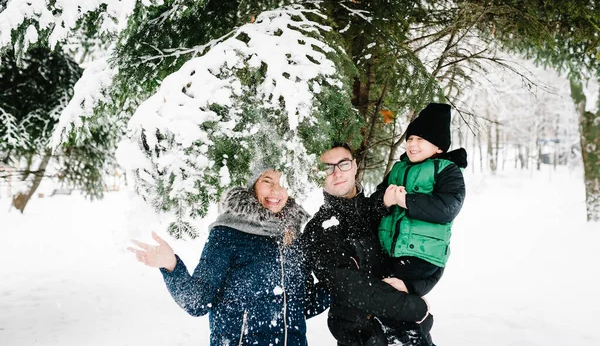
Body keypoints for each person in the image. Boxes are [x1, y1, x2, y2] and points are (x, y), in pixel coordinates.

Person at [128, 166, 329, 346]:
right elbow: (197, 302)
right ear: (252, 185)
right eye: (267, 181)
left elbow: (301, 305)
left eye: (283, 183)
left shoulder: (292, 235)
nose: (276, 191)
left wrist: (340, 282)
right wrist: (171, 266)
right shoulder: (228, 233)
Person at [302, 144, 436, 346]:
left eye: (343, 164)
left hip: (410, 332)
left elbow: (428, 251)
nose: (337, 173)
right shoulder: (320, 229)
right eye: (327, 168)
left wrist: (414, 287)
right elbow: (350, 286)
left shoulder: (378, 209)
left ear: (355, 166)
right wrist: (411, 307)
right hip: (364, 337)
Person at [377, 102, 467, 344]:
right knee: (386, 305)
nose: (412, 144)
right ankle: (414, 328)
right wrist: (384, 200)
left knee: (391, 301)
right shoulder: (398, 168)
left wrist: (407, 200)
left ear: (438, 146)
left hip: (421, 255)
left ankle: (411, 335)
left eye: (421, 139)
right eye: (411, 138)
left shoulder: (446, 170)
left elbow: (448, 207)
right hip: (393, 253)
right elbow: (378, 199)